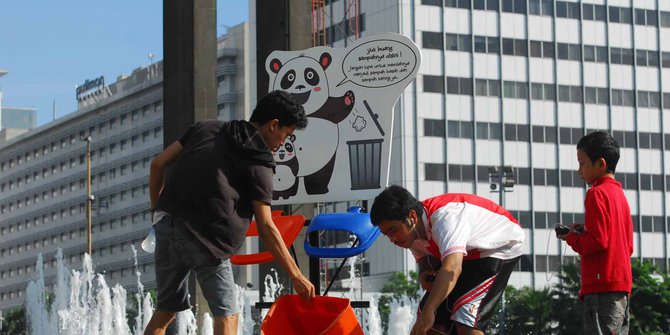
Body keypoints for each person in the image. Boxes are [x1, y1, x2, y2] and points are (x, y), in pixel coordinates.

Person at [144, 90, 315, 335]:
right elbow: (266, 227)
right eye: (286, 135)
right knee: (228, 315)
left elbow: (157, 163)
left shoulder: (205, 128)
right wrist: (296, 275)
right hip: (207, 242)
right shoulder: (259, 161)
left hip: (166, 226)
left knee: (165, 310)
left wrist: (155, 211)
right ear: (273, 125)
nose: (283, 143)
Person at [370, 185, 525, 335]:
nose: (392, 239)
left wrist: (429, 310)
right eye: (387, 234)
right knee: (430, 324)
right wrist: (424, 274)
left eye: (393, 230)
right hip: (466, 255)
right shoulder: (411, 235)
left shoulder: (445, 219)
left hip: (497, 246)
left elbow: (452, 268)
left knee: (464, 318)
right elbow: (426, 261)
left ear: (411, 217)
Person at [558, 131, 633, 334]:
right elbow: (628, 245)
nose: (579, 170)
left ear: (600, 164)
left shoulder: (596, 194)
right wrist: (585, 231)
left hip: (601, 287)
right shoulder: (619, 195)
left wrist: (572, 238)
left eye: (582, 163)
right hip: (621, 285)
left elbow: (598, 242)